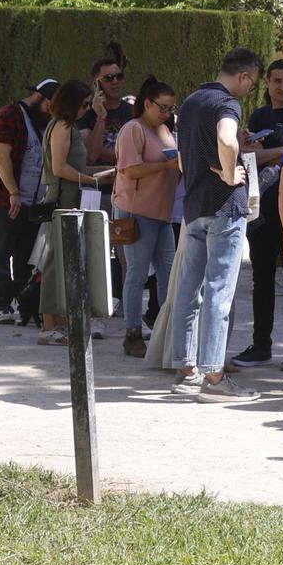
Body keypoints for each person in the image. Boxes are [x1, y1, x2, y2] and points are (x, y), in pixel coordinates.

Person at [166, 48, 263, 401]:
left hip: (193, 205)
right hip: (224, 206)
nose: (248, 91)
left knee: (188, 289)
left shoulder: (190, 102)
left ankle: (186, 369)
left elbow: (180, 159)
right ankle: (214, 378)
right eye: (251, 84)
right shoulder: (227, 105)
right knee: (220, 291)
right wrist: (226, 171)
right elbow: (226, 138)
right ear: (245, 76)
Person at [234, 59, 283, 368]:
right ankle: (261, 345)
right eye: (277, 81)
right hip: (261, 207)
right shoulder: (259, 115)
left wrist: (269, 153)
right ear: (267, 83)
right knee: (261, 279)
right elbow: (245, 155)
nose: (282, 87)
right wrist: (277, 152)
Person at [37, 80, 116, 346]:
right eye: (84, 105)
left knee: (66, 261)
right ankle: (49, 325)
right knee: (54, 263)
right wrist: (91, 180)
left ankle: (60, 322)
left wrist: (98, 175)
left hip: (72, 199)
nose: (86, 110)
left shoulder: (66, 126)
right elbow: (60, 168)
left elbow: (77, 166)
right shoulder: (61, 126)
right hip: (62, 201)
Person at [114, 78, 181, 358]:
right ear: (147, 104)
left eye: (171, 108)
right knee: (137, 274)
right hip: (137, 211)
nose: (167, 113)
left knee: (169, 273)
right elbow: (130, 170)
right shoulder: (133, 129)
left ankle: (165, 331)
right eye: (163, 107)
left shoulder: (164, 129)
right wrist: (168, 165)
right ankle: (132, 334)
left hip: (162, 213)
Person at [0, 78, 55, 324]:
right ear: (38, 98)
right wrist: (13, 191)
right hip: (6, 198)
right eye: (49, 107)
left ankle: (27, 308)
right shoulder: (8, 117)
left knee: (27, 254)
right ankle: (1, 305)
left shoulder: (44, 121)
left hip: (33, 200)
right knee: (3, 249)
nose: (51, 114)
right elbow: (2, 158)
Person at [79, 45, 133, 167]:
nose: (115, 82)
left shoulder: (132, 111)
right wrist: (101, 117)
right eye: (108, 78)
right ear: (96, 83)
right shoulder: (85, 112)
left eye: (119, 77)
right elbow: (90, 156)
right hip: (96, 183)